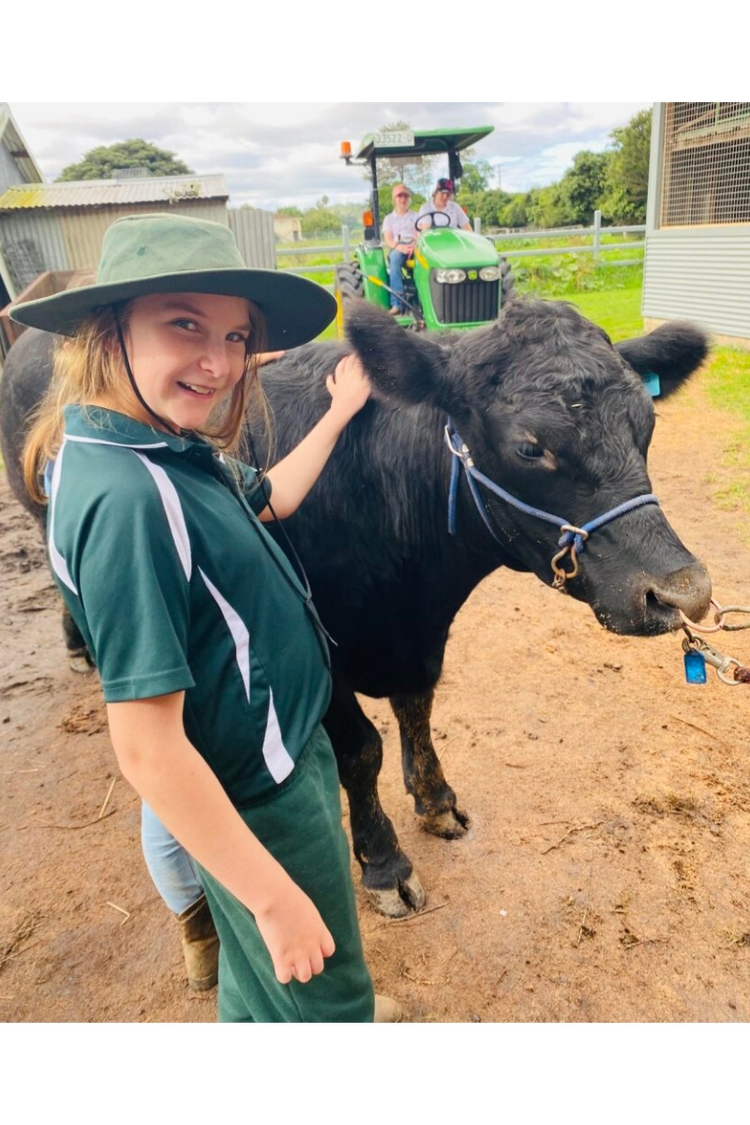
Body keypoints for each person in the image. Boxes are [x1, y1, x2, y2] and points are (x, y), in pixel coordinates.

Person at [12, 212, 401, 1024]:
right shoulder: (130, 500)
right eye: (183, 324)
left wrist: (335, 413)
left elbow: (274, 498)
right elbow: (146, 746)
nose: (218, 363)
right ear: (106, 328)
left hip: (266, 760)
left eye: (234, 336)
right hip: (262, 794)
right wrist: (269, 898)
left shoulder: (153, 445)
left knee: (259, 988)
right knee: (330, 994)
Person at [382, 183, 419, 315]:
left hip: (415, 245)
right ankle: (397, 303)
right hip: (398, 246)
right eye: (400, 196)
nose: (403, 199)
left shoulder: (415, 216)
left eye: (405, 196)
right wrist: (400, 247)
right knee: (395, 260)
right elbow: (388, 240)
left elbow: (420, 234)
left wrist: (415, 245)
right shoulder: (389, 219)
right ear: (394, 199)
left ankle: (422, 300)